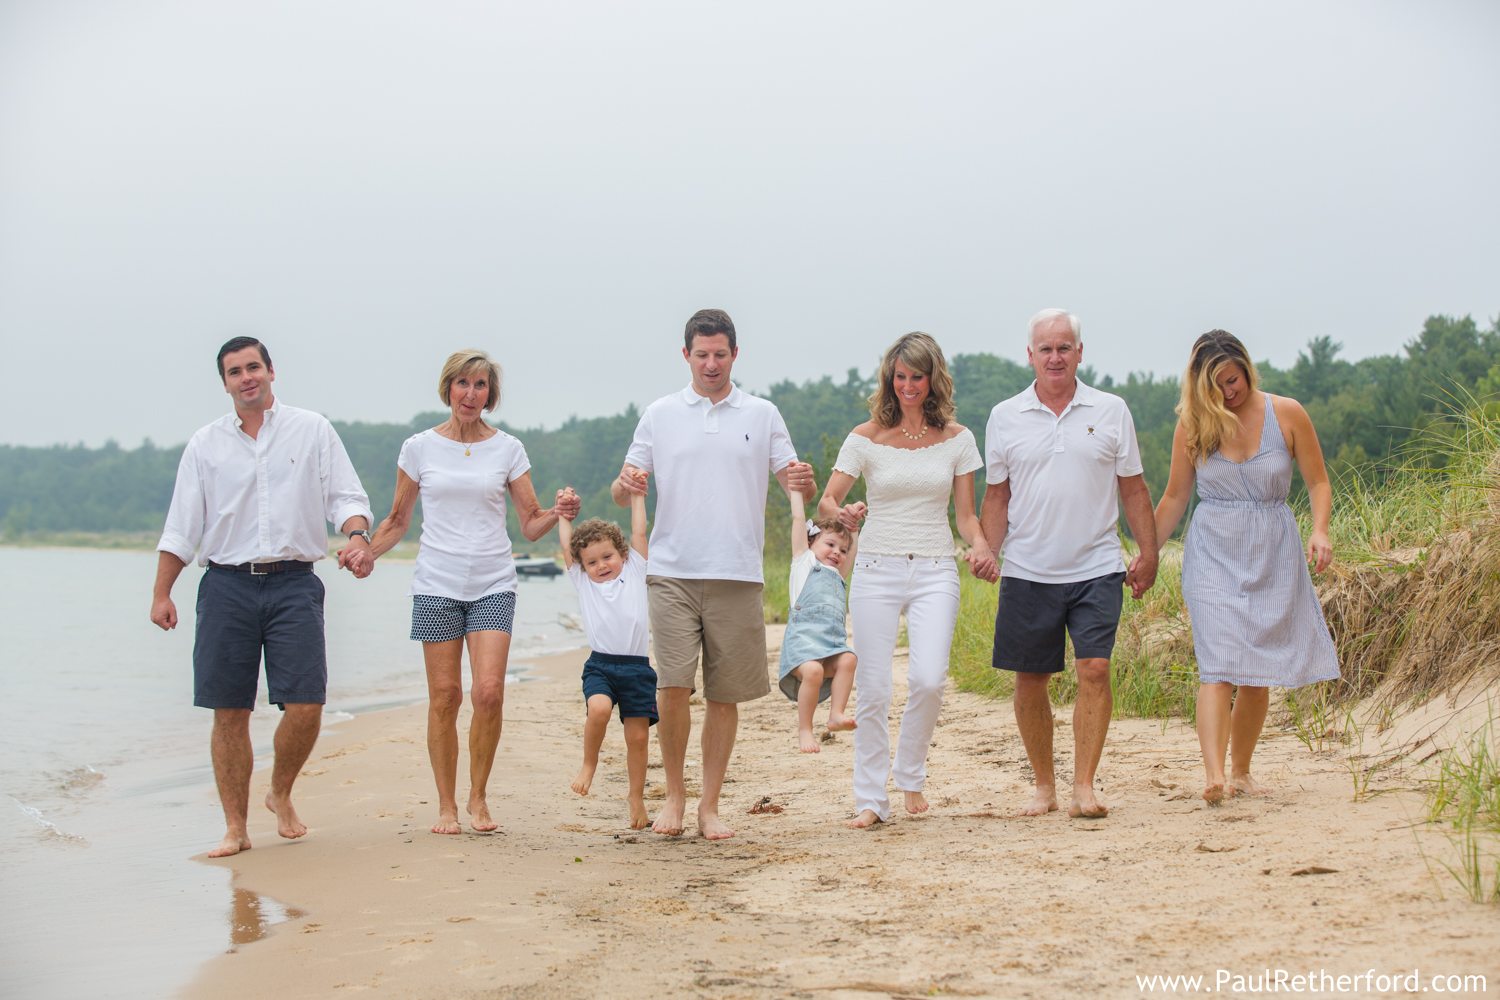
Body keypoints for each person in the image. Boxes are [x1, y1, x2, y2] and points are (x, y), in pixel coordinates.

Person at [150, 336, 374, 858]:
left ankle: (280, 792)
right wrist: (162, 592)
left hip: (295, 581)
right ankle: (236, 827)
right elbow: (182, 527)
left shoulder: (312, 429)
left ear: (272, 371)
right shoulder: (205, 444)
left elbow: (346, 496)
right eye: (235, 371)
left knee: (307, 703)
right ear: (225, 382)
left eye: (254, 367)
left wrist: (357, 535)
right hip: (226, 586)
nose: (246, 377)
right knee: (229, 710)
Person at [613, 308, 815, 840]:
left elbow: (793, 482)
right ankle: (674, 796)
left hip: (737, 572)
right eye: (701, 354)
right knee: (673, 686)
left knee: (724, 695)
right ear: (686, 355)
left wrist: (804, 482)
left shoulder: (763, 413)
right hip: (672, 570)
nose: (710, 364)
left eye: (720, 354)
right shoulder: (659, 413)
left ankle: (709, 804)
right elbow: (624, 486)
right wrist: (627, 483)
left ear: (734, 355)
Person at [364, 350, 576, 835]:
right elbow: (398, 520)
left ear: (490, 394)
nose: (470, 393)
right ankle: (446, 805)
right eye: (462, 383)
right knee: (444, 696)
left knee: (488, 693)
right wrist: (367, 554)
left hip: (492, 582)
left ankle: (478, 798)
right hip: (436, 582)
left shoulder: (507, 449)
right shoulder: (418, 447)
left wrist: (562, 510)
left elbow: (530, 524)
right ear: (448, 388)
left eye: (480, 385)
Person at [980, 308, 1159, 819]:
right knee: (1030, 679)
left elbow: (1134, 488)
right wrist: (988, 551)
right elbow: (997, 496)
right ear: (1030, 355)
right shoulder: (1004, 416)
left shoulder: (1111, 409)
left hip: (1097, 565)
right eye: (1045, 349)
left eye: (1064, 347)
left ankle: (1084, 786)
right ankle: (1044, 786)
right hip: (1028, 569)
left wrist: (1148, 553)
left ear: (1080, 352)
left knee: (1095, 668)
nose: (1055, 357)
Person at [1153, 330, 1339, 804]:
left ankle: (1241, 770)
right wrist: (1147, 554)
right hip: (1213, 550)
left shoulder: (1288, 413)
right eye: (1216, 387)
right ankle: (1213, 775)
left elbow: (1318, 482)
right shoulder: (1193, 424)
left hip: (1273, 551)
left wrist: (1320, 530)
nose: (1228, 393)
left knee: (1256, 670)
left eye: (1233, 381)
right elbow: (1175, 497)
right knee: (1217, 664)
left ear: (1247, 369)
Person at [820, 332, 996, 829]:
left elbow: (965, 515)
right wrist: (846, 513)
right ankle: (871, 799)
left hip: (936, 568)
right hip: (875, 567)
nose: (908, 386)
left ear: (933, 378)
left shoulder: (958, 439)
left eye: (917, 376)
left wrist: (980, 546)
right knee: (874, 688)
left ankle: (911, 773)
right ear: (889, 379)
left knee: (928, 679)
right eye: (900, 377)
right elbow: (827, 502)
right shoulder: (867, 436)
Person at [557, 487, 657, 829]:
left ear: (623, 554)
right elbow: (566, 548)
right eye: (592, 562)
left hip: (637, 669)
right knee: (598, 709)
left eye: (607, 557)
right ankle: (589, 763)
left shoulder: (636, 571)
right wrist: (563, 516)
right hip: (600, 664)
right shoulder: (584, 582)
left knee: (638, 739)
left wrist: (637, 497)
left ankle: (636, 797)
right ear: (582, 567)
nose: (601, 566)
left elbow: (640, 530)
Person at [777, 488, 859, 754]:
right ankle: (805, 729)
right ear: (811, 543)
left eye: (842, 549)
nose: (837, 552)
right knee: (812, 672)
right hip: (803, 645)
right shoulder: (804, 563)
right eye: (830, 545)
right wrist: (797, 494)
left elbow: (853, 553)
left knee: (849, 659)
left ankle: (836, 713)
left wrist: (854, 529)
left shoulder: (838, 575)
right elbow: (799, 521)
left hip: (831, 644)